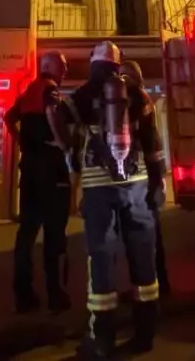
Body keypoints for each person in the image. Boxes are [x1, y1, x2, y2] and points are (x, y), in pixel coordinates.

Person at [58, 41, 165, 359]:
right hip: (137, 186)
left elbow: (57, 118)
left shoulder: (82, 94)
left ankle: (101, 339)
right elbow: (153, 144)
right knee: (144, 258)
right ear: (119, 63)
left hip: (98, 188)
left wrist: (71, 156)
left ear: (94, 63)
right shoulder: (138, 94)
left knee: (102, 260)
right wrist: (157, 181)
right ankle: (145, 335)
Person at [3, 51, 73, 314]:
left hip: (29, 169)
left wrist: (23, 144)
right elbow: (54, 117)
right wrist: (65, 146)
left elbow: (8, 118)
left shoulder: (30, 91)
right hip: (51, 170)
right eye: (63, 68)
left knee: (27, 233)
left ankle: (24, 295)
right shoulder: (51, 91)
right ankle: (56, 294)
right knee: (55, 234)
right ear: (52, 68)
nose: (65, 72)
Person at [120, 59, 170, 297]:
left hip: (140, 180)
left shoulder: (134, 99)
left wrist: (157, 177)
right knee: (146, 235)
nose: (122, 79)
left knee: (142, 236)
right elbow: (152, 142)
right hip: (144, 177)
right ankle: (153, 284)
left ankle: (150, 286)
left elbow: (148, 142)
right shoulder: (141, 99)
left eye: (126, 75)